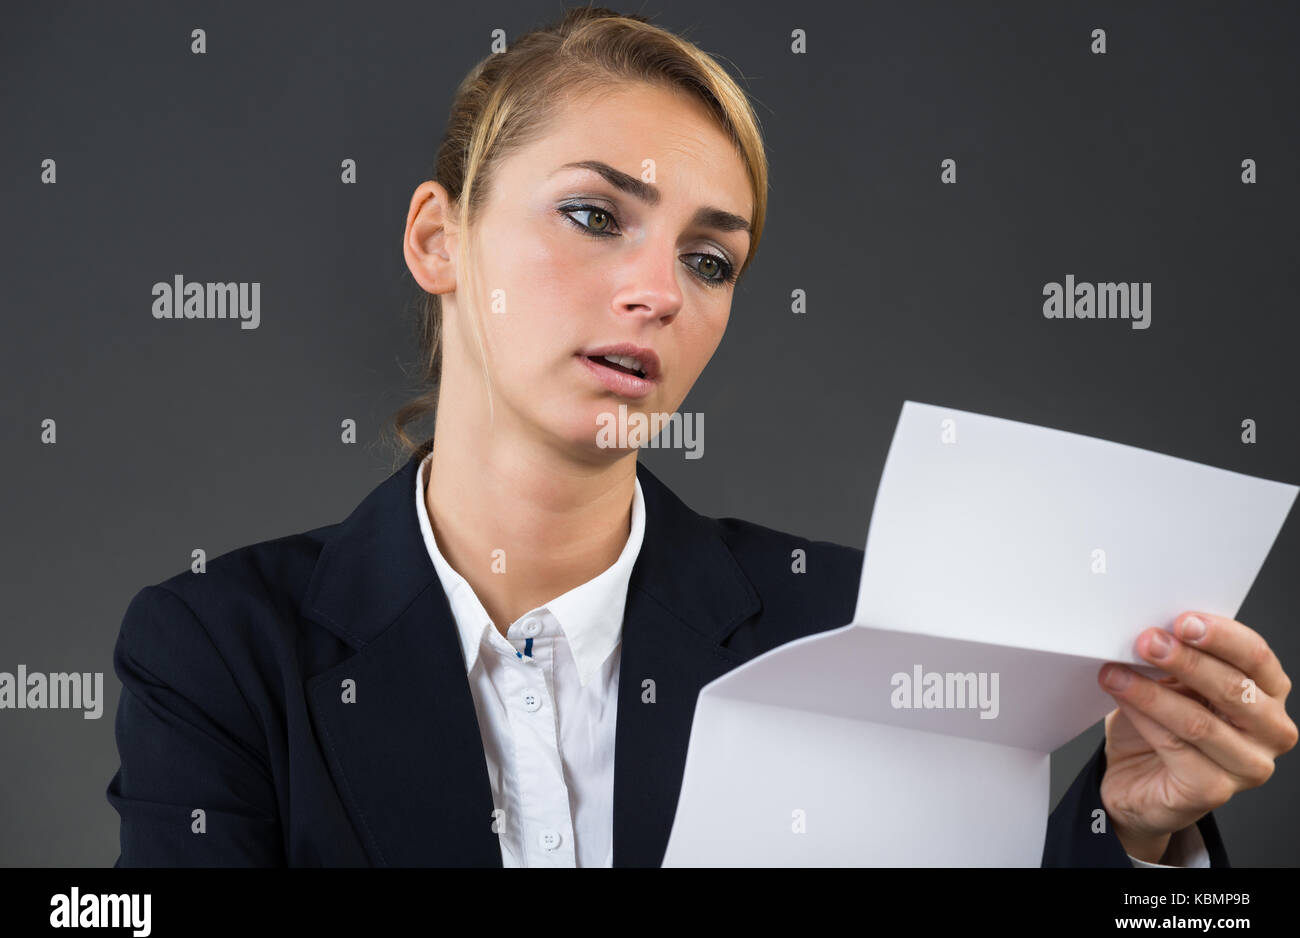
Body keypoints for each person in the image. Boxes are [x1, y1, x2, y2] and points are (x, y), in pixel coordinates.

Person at [106, 6, 1295, 867]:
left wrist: (1140, 841)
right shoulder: (221, 648)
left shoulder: (852, 629)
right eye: (592, 214)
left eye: (707, 258)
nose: (658, 291)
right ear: (439, 240)